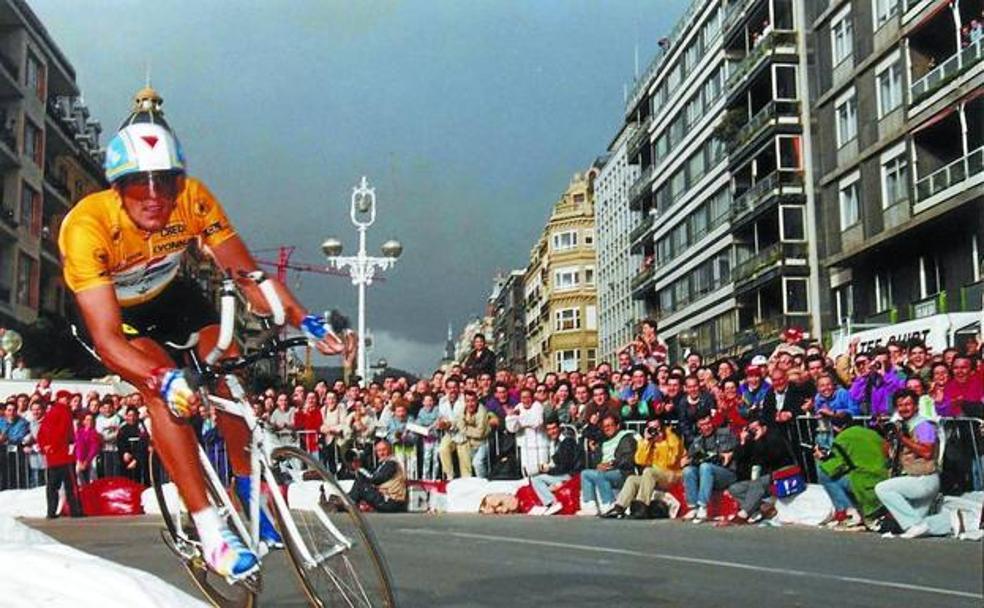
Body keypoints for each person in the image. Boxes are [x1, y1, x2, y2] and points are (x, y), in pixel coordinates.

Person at [57, 87, 355, 579]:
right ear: (116, 186)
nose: (154, 197)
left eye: (166, 183)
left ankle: (247, 488)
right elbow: (109, 341)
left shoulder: (193, 200)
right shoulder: (86, 227)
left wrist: (301, 317)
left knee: (227, 356)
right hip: (113, 311)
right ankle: (210, 530)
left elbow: (247, 275)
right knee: (164, 383)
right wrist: (165, 380)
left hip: (170, 292)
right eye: (138, 186)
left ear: (180, 182)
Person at [874, 390, 953, 538]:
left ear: (916, 406)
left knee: (882, 489)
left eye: (908, 404)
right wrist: (887, 433)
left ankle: (914, 525)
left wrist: (902, 438)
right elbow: (886, 453)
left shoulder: (924, 425)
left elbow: (927, 452)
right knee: (918, 522)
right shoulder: (902, 425)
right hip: (914, 477)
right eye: (900, 405)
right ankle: (955, 522)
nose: (904, 408)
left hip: (924, 479)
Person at [720, 414, 796, 526]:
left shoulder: (774, 437)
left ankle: (744, 514)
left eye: (756, 429)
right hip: (764, 477)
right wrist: (742, 442)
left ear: (764, 427)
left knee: (757, 483)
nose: (754, 432)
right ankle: (761, 508)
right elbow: (740, 458)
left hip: (781, 471)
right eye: (751, 430)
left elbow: (773, 457)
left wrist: (760, 440)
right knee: (735, 488)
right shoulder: (754, 440)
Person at [602, 418, 684, 519]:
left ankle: (641, 506)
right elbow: (639, 460)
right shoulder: (648, 441)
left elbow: (671, 461)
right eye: (651, 428)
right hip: (654, 476)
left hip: (672, 474)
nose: (654, 431)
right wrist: (646, 442)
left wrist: (660, 442)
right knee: (632, 479)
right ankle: (619, 508)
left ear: (662, 428)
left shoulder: (672, 438)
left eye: (656, 428)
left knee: (649, 471)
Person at [681, 412, 738, 523]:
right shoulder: (697, 441)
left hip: (727, 473)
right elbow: (689, 458)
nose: (707, 427)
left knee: (705, 467)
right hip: (706, 475)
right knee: (688, 470)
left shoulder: (725, 433)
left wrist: (728, 454)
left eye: (708, 423)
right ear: (698, 426)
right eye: (703, 425)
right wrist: (686, 460)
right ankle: (693, 507)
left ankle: (703, 506)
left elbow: (739, 448)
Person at [37, 390, 82, 518]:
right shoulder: (65, 412)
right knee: (70, 485)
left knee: (52, 486)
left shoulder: (50, 413)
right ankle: (75, 510)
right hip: (64, 455)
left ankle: (51, 511)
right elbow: (64, 432)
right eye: (67, 398)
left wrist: (44, 447)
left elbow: (41, 433)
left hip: (52, 457)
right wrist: (55, 446)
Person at [581, 414, 637, 515]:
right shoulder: (603, 441)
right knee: (585, 473)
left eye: (610, 425)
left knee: (600, 475)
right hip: (606, 471)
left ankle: (609, 503)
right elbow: (586, 434)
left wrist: (611, 464)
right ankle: (590, 505)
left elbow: (628, 459)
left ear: (617, 426)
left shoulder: (626, 438)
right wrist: (597, 458)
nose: (607, 429)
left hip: (621, 471)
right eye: (605, 426)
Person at [529, 418, 583, 516]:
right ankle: (550, 502)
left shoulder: (567, 441)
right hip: (563, 473)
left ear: (559, 428)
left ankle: (552, 503)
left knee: (536, 479)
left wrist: (548, 470)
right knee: (538, 478)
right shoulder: (558, 442)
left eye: (554, 428)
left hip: (569, 475)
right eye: (549, 429)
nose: (552, 431)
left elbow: (565, 466)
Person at [348, 439, 408, 513]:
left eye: (384, 450)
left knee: (361, 485)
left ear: (390, 450)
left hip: (392, 501)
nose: (381, 453)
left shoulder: (391, 463)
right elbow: (372, 475)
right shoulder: (384, 464)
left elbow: (376, 479)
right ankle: (347, 501)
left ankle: (347, 503)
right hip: (387, 499)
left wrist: (360, 469)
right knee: (360, 481)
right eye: (379, 451)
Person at [505, 388, 549, 475]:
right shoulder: (518, 407)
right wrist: (513, 418)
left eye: (528, 397)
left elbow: (537, 422)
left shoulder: (538, 406)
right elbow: (511, 428)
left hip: (540, 445)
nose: (526, 400)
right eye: (523, 397)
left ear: (532, 398)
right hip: (525, 446)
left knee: (543, 471)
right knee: (527, 473)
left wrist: (518, 419)